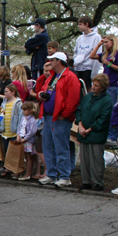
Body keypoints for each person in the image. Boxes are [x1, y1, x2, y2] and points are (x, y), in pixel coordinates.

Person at [37, 52, 81, 188]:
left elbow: (73, 99)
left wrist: (65, 114)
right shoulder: (52, 77)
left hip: (60, 117)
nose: (50, 62)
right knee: (48, 145)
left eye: (53, 60)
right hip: (49, 115)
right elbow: (43, 89)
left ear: (59, 61)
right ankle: (51, 174)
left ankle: (64, 176)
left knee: (61, 146)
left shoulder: (70, 77)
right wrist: (40, 95)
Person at [75, 74, 113, 191]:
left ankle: (98, 182)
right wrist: (80, 126)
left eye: (97, 85)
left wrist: (89, 129)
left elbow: (104, 118)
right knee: (85, 158)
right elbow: (79, 111)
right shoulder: (87, 97)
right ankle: (86, 181)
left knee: (96, 159)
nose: (94, 87)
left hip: (96, 133)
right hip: (83, 131)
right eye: (93, 84)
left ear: (103, 87)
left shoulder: (106, 100)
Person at [72, 15, 102, 88]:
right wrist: (75, 61)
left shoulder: (96, 37)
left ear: (87, 24)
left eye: (80, 24)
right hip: (78, 67)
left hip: (88, 68)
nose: (78, 26)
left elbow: (98, 54)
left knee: (87, 88)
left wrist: (94, 72)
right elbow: (76, 52)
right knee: (77, 88)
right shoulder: (79, 38)